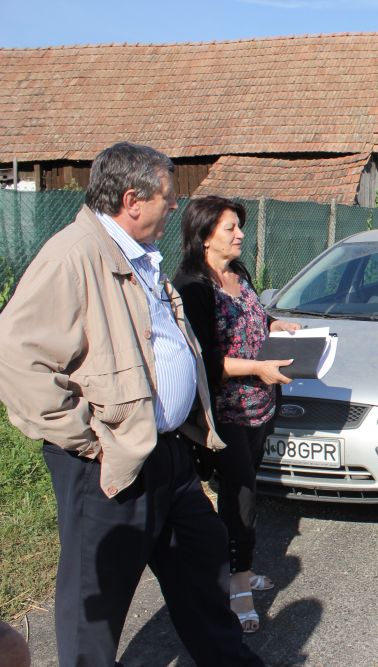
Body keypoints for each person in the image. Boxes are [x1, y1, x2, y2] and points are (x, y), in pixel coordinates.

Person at [0, 143, 263, 666]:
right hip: (109, 459)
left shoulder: (138, 255)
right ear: (131, 200)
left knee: (202, 560)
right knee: (95, 602)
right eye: (168, 196)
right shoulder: (74, 255)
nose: (175, 206)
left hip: (167, 451)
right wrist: (90, 441)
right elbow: (17, 356)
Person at [173, 196, 300, 633]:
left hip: (260, 408)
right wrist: (257, 368)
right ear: (205, 235)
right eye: (230, 227)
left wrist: (274, 325)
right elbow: (204, 360)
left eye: (239, 226)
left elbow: (252, 317)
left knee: (246, 493)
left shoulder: (238, 275)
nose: (240, 234)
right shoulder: (192, 287)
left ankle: (238, 569)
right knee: (239, 499)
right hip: (224, 414)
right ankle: (238, 586)